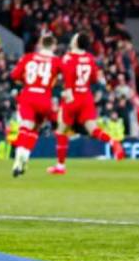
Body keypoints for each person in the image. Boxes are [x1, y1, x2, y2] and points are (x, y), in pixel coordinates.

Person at [50, 31, 126, 174]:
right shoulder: (90, 58)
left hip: (72, 97)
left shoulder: (68, 58)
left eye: (74, 38)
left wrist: (66, 92)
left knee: (60, 130)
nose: (72, 39)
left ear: (76, 42)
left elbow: (66, 78)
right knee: (93, 129)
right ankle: (113, 142)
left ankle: (60, 166)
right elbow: (94, 79)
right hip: (86, 97)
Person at [8, 34, 61, 178]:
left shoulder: (28, 57)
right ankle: (25, 158)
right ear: (54, 46)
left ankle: (18, 160)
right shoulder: (56, 61)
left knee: (25, 127)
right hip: (44, 97)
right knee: (35, 129)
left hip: (28, 95)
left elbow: (14, 75)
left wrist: (25, 81)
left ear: (40, 44)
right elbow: (64, 77)